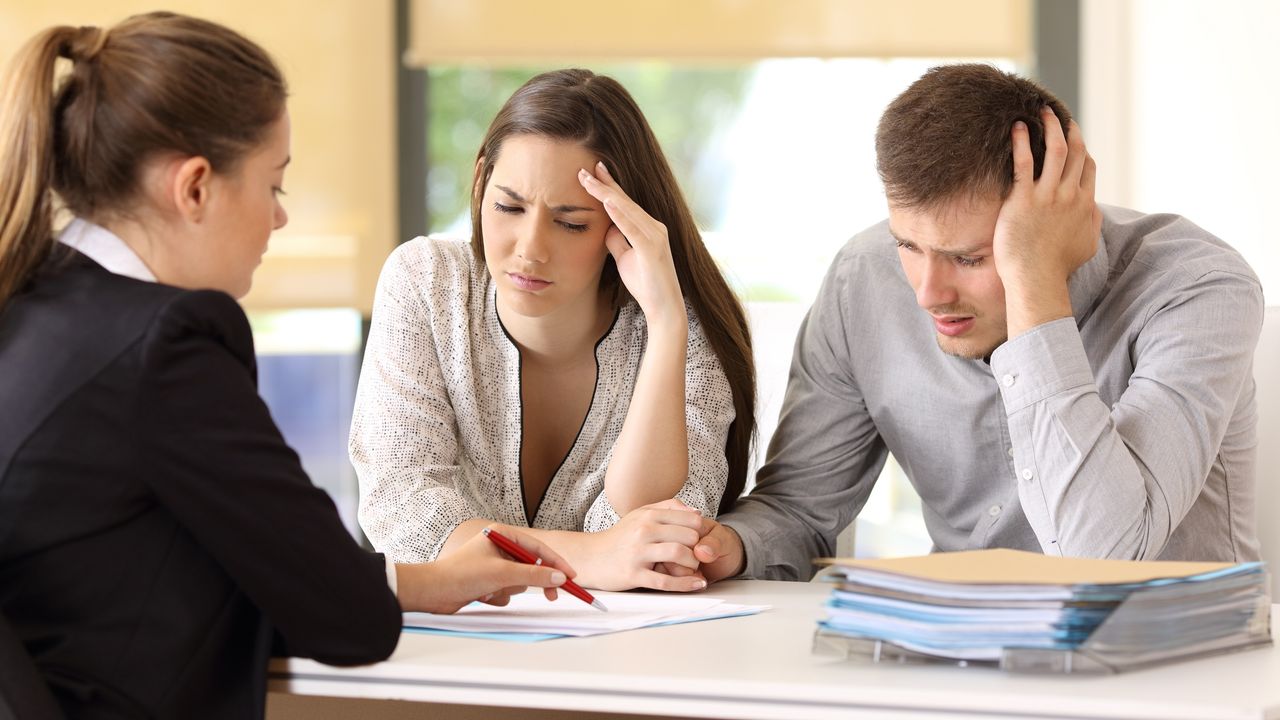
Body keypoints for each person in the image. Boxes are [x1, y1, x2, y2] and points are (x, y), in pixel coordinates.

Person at [0, 13, 574, 719]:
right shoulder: (165, 345)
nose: (279, 220)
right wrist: (379, 588)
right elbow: (346, 620)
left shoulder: (30, 304)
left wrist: (422, 581)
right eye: (274, 185)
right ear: (195, 188)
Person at [687, 63, 1264, 582]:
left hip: (1165, 668)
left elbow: (1105, 558)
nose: (927, 294)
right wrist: (728, 546)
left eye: (970, 258)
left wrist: (1036, 287)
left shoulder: (1197, 288)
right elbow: (797, 509)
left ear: (1068, 211)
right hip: (959, 656)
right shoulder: (861, 280)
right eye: (908, 246)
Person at [350, 69, 756, 592]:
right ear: (479, 185)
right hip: (458, 645)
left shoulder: (684, 323)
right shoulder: (427, 281)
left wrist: (666, 323)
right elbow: (405, 513)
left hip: (633, 654)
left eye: (571, 223)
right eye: (508, 206)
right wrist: (592, 556)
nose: (530, 249)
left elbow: (655, 539)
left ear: (624, 222)